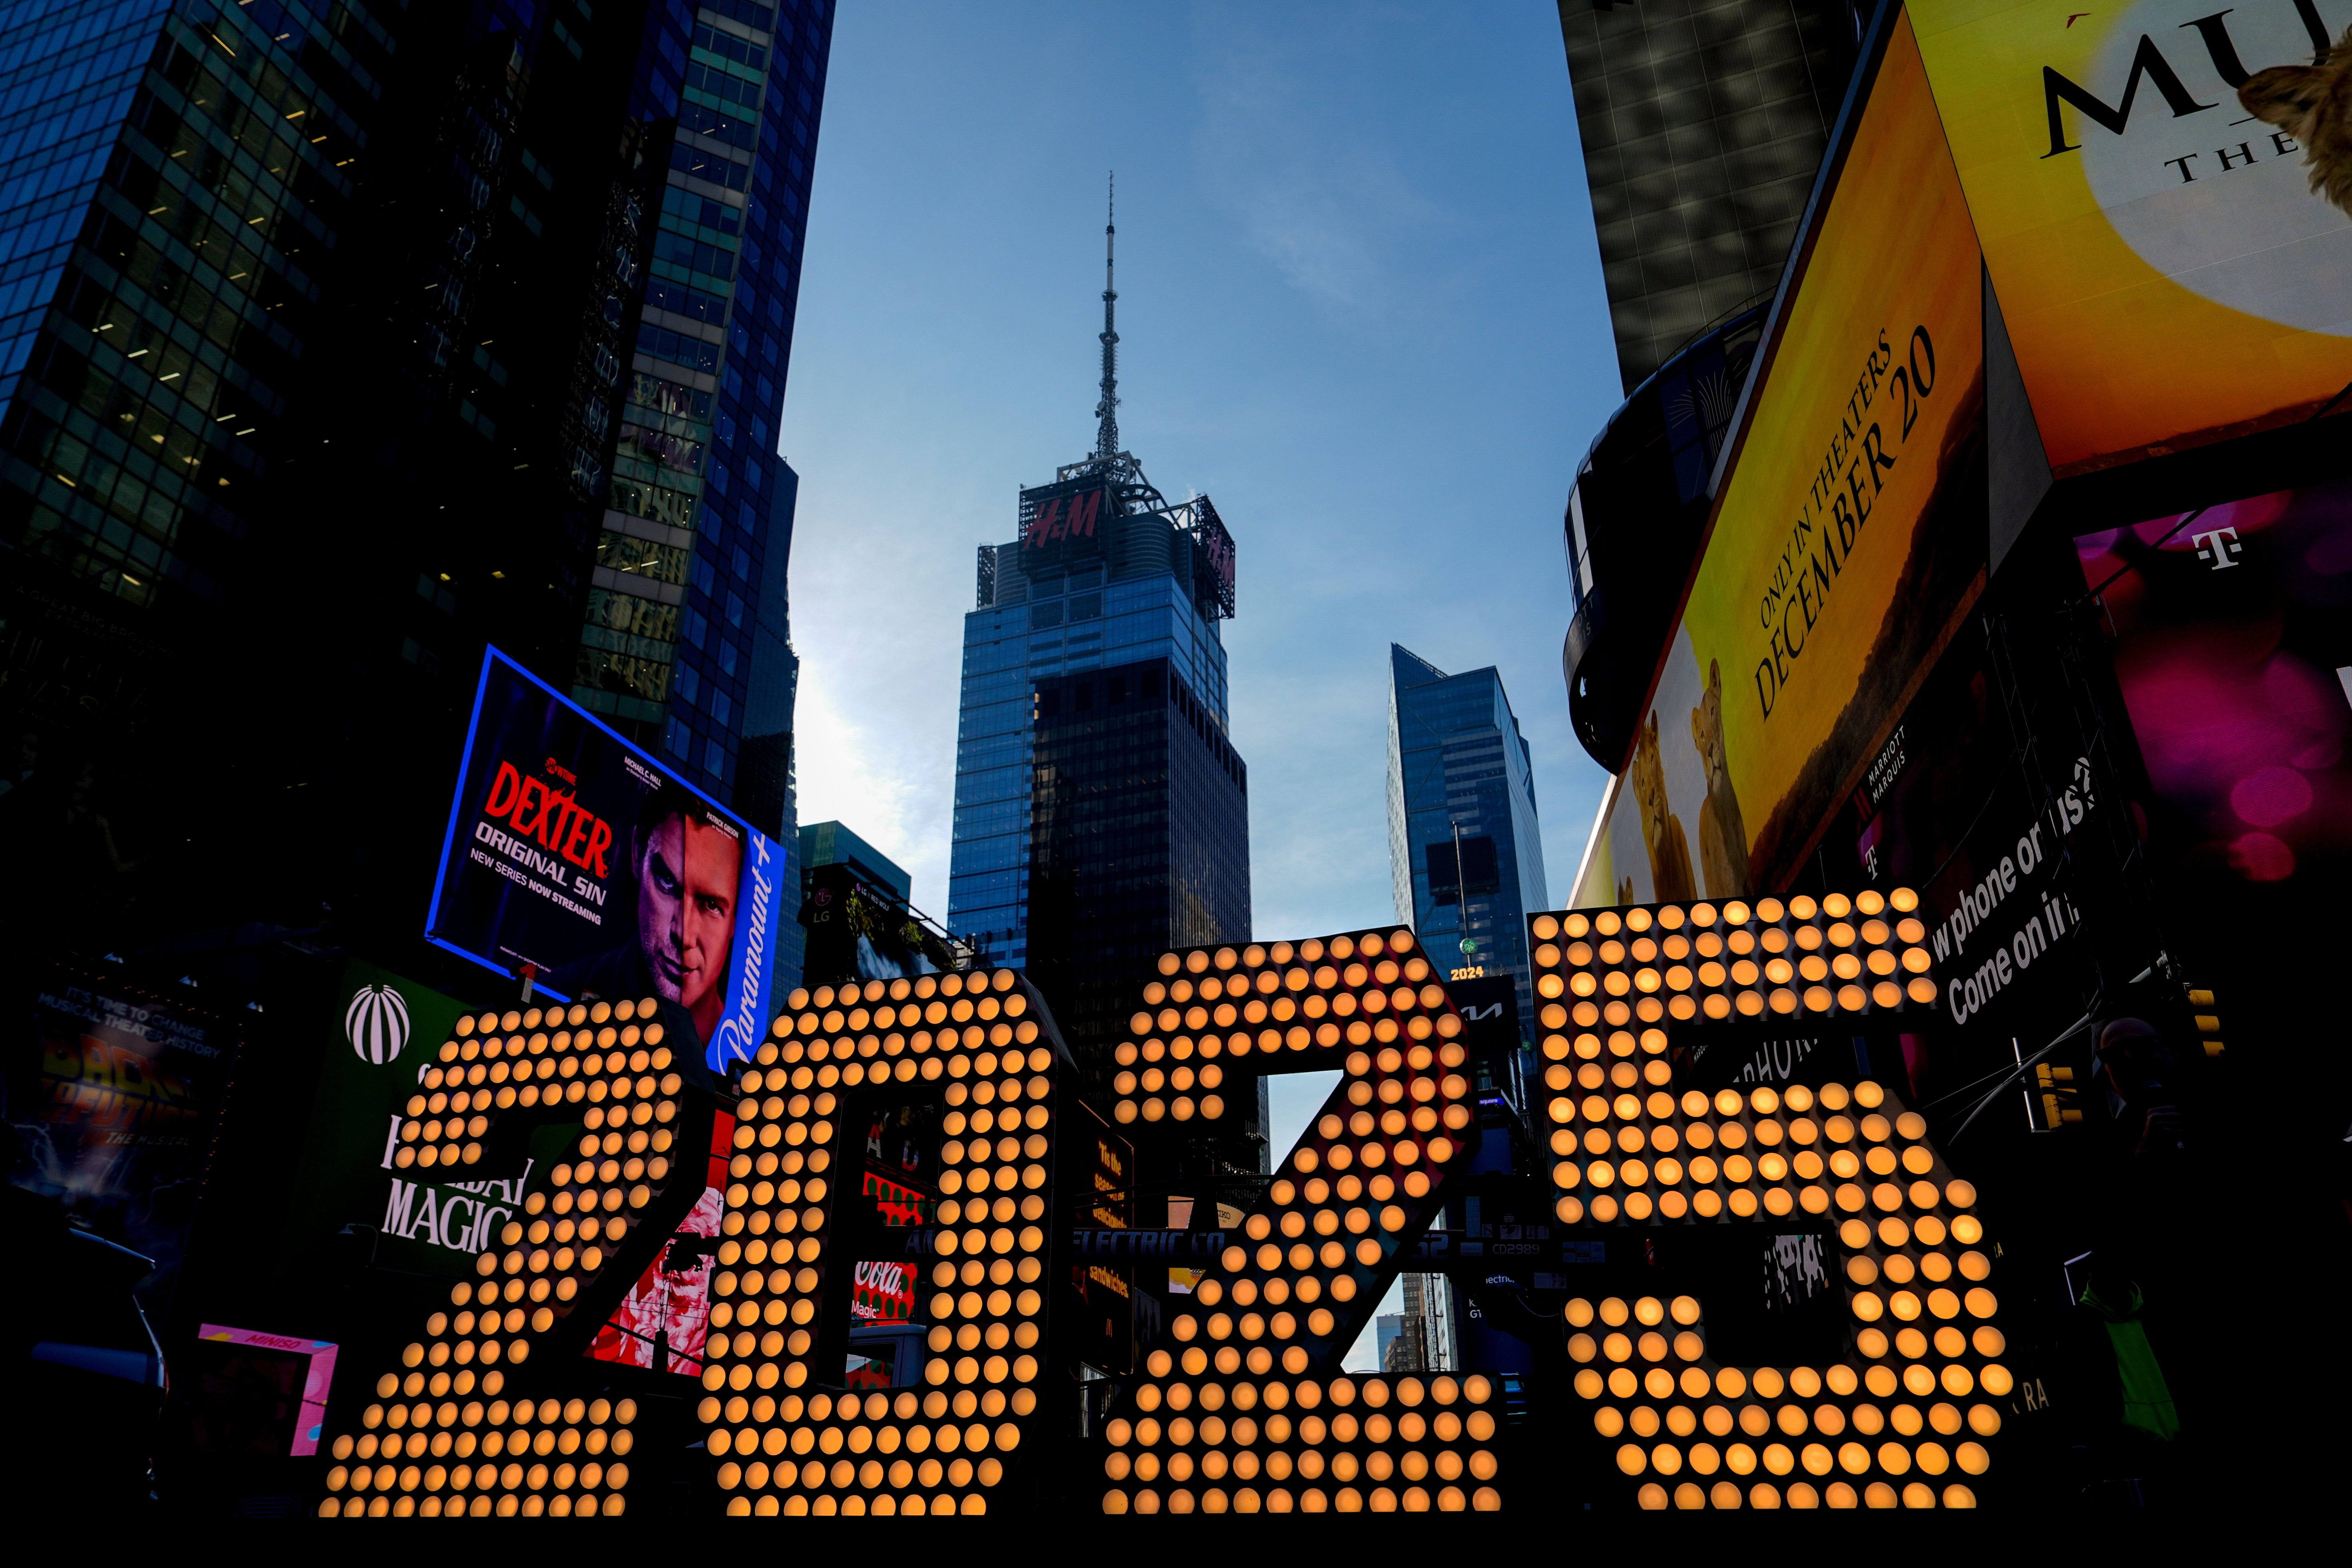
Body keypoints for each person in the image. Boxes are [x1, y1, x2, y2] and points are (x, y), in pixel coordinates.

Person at [553, 783, 742, 1045]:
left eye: (710, 904)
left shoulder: (748, 1061)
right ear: (637, 854)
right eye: (666, 881)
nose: (683, 934)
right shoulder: (556, 992)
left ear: (737, 920)